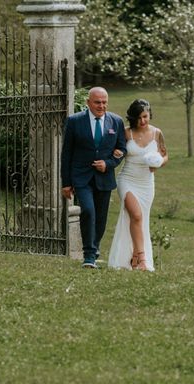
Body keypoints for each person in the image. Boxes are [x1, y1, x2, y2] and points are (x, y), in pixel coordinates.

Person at [60, 86, 127, 268]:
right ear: (88, 103)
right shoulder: (74, 121)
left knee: (101, 218)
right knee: (88, 211)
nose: (101, 106)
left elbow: (122, 149)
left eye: (104, 102)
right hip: (81, 177)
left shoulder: (116, 122)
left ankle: (94, 248)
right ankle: (89, 256)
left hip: (104, 178)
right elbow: (67, 153)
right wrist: (66, 183)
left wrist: (109, 164)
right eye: (97, 102)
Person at [108, 99, 169, 271]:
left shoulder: (157, 133)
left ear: (149, 114)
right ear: (133, 118)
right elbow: (116, 152)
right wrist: (116, 153)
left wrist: (158, 162)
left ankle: (133, 257)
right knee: (136, 215)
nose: (142, 121)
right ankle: (142, 259)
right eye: (139, 118)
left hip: (146, 183)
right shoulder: (127, 133)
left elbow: (165, 156)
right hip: (127, 179)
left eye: (145, 116)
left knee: (140, 219)